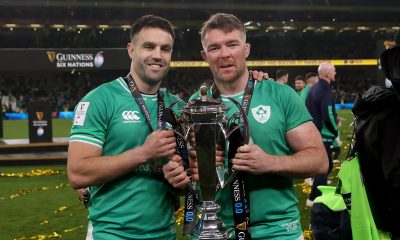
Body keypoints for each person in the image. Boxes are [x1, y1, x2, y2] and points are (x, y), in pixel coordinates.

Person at [163, 13, 328, 240]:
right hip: (216, 231)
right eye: (214, 48)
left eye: (232, 44)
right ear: (205, 55)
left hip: (277, 231)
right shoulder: (194, 106)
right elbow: (185, 168)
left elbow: (319, 160)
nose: (225, 54)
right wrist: (182, 171)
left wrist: (270, 162)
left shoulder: (279, 95)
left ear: (246, 49)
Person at [67, 15, 184, 240]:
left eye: (165, 48)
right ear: (131, 50)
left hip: (164, 234)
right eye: (149, 46)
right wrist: (144, 153)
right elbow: (77, 172)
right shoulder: (100, 100)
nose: (158, 55)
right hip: (110, 234)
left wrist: (180, 180)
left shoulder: (179, 107)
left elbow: (188, 182)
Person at [305, 62, 338, 207]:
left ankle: (315, 193)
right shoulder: (325, 90)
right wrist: (335, 130)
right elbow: (328, 115)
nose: (335, 73)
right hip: (322, 134)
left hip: (313, 132)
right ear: (327, 74)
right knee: (324, 167)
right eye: (334, 70)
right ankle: (314, 199)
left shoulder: (313, 89)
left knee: (327, 165)